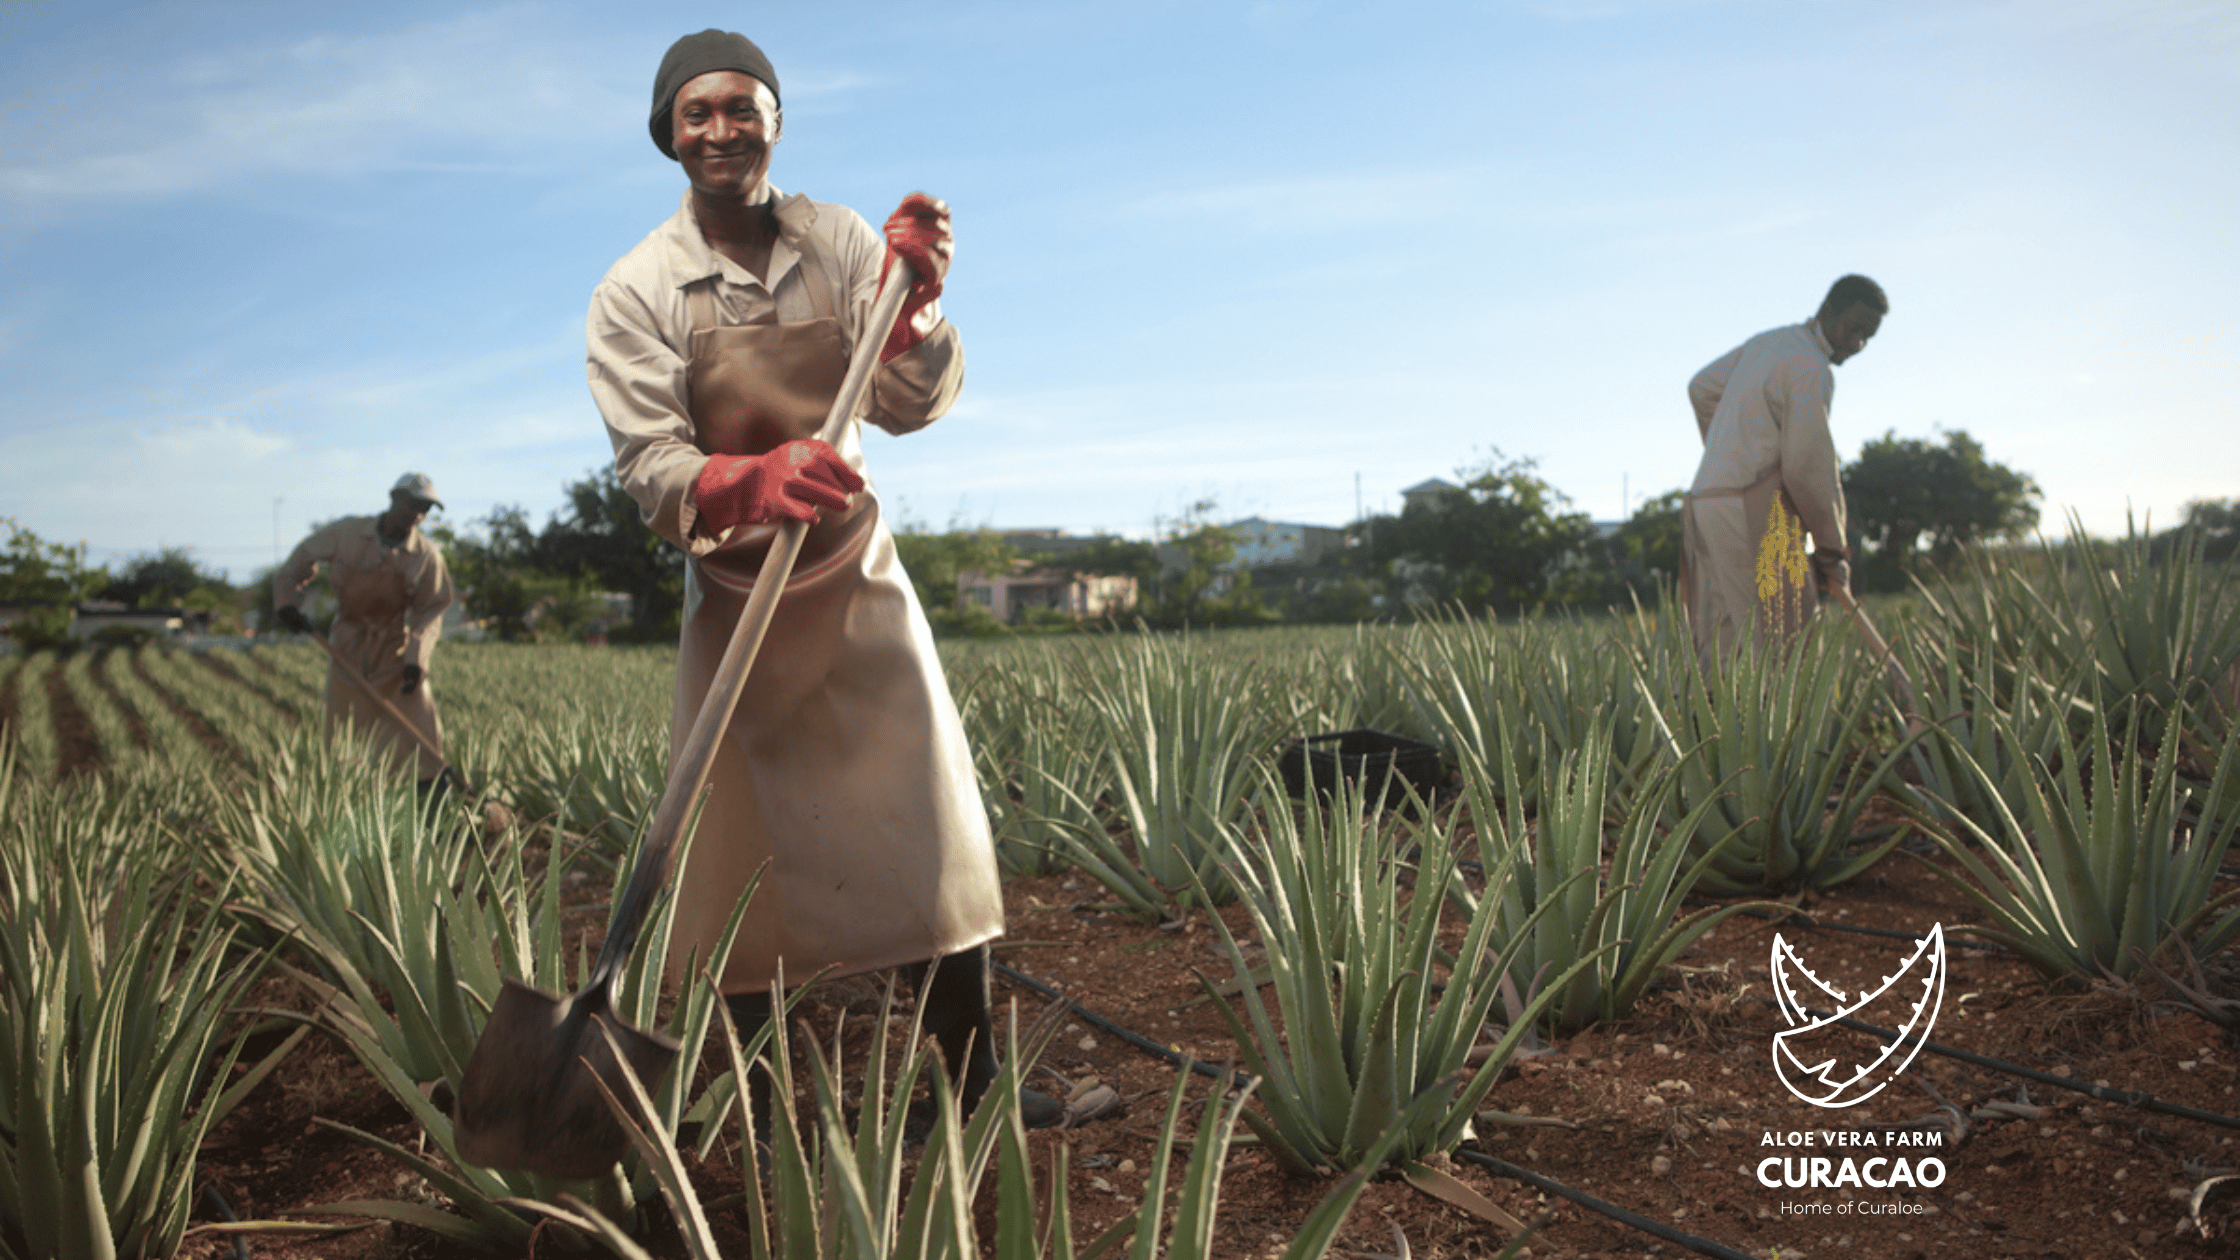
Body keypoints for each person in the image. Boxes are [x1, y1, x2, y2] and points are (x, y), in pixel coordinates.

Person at [585, 29, 1060, 1131]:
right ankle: (762, 1104)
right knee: (744, 856)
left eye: (741, 107)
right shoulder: (637, 288)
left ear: (775, 122)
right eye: (696, 112)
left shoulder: (841, 239)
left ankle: (969, 1079)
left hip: (854, 574)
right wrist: (752, 477)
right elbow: (650, 465)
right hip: (738, 596)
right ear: (667, 131)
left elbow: (904, 403)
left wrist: (914, 311)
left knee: (925, 822)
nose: (719, 129)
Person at [1680, 275, 1887, 671]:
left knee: (1717, 649)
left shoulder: (1769, 344)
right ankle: (1780, 735)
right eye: (1854, 328)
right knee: (1784, 649)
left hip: (1704, 500)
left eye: (1867, 337)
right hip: (1752, 507)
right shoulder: (1812, 368)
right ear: (1828, 310)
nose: (1857, 343)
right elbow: (1807, 467)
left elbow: (1702, 388)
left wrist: (1730, 451)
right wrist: (1831, 548)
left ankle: (1697, 730)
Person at [274, 473, 457, 790]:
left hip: (394, 653)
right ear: (393, 499)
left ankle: (436, 808)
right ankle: (352, 804)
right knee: (345, 736)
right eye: (413, 505)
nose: (417, 515)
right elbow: (302, 556)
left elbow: (432, 610)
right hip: (347, 648)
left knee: (421, 730)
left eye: (425, 510)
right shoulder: (347, 533)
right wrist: (288, 602)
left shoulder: (426, 556)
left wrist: (416, 661)